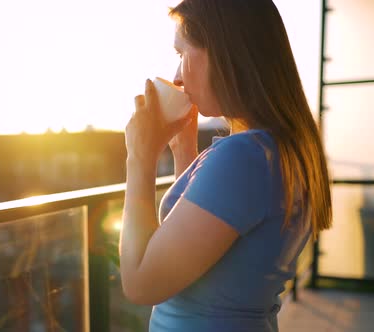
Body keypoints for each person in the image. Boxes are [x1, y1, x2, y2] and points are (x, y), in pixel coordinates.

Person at [119, 0, 332, 331]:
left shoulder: (243, 157)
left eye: (181, 54)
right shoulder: (276, 149)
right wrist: (184, 149)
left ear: (222, 53)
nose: (176, 75)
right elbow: (203, 236)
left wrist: (139, 158)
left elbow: (140, 284)